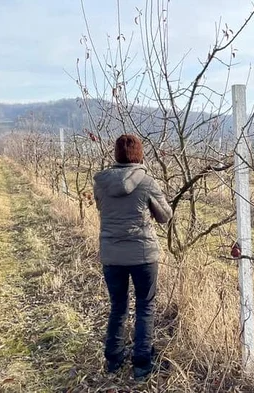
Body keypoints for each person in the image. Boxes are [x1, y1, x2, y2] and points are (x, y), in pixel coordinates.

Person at [93, 134, 172, 381]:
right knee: (145, 308)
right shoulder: (147, 182)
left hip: (112, 255)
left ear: (116, 155)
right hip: (143, 255)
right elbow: (165, 216)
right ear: (140, 154)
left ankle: (114, 360)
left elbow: (100, 208)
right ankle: (141, 365)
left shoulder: (101, 183)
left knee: (117, 307)